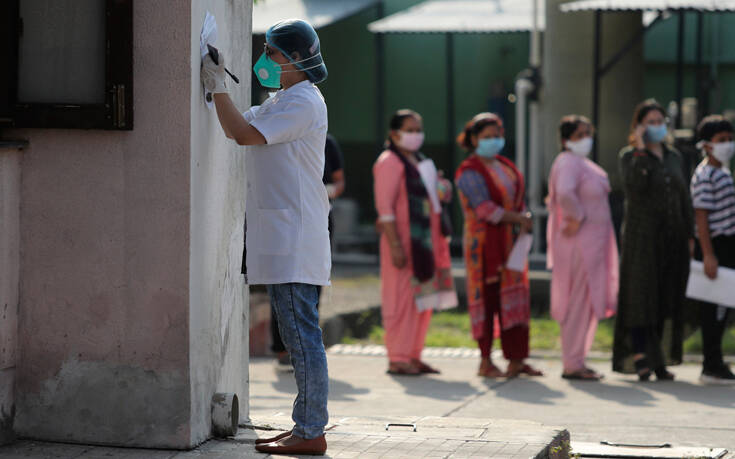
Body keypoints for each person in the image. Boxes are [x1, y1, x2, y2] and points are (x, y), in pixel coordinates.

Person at [201, 18, 330, 455]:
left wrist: (217, 83)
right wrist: (217, 87)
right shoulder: (283, 99)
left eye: (272, 52)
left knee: (301, 339)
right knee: (297, 337)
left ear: (295, 59)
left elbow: (242, 135)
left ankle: (311, 433)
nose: (265, 59)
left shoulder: (304, 103)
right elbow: (234, 123)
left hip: (295, 238)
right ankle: (304, 427)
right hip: (285, 236)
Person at [455, 112, 543, 379]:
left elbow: (516, 200)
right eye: (486, 137)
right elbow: (484, 209)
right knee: (489, 299)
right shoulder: (468, 171)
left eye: (497, 136)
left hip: (510, 244)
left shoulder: (505, 166)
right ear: (473, 139)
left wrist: (522, 216)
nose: (493, 141)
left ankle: (517, 359)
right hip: (483, 247)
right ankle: (485, 360)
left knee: (515, 297)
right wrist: (518, 218)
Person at [613, 99, 694, 382]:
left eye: (661, 121)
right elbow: (634, 188)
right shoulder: (630, 156)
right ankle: (640, 356)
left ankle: (659, 358)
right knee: (640, 295)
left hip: (672, 237)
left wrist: (690, 233)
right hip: (641, 237)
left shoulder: (673, 156)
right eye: (651, 122)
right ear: (639, 126)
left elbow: (684, 196)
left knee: (664, 296)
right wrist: (639, 149)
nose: (657, 127)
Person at [373, 109, 456, 375]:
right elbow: (385, 209)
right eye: (409, 129)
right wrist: (395, 245)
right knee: (401, 302)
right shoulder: (389, 162)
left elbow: (436, 198)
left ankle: (413, 355)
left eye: (418, 129)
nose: (416, 134)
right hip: (403, 244)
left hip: (426, 246)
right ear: (394, 134)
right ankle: (398, 357)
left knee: (423, 301)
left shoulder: (421, 161)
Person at [546, 115, 618, 381]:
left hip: (593, 244)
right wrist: (575, 217)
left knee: (587, 301)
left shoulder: (583, 164)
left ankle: (579, 359)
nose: (586, 139)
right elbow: (564, 193)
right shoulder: (567, 162)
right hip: (579, 244)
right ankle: (572, 362)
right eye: (579, 134)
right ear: (566, 140)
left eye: (588, 133)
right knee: (577, 301)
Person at [270, 133, 345, 369]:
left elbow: (340, 181)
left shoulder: (327, 142)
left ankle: (309, 347)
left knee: (314, 279)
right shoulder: (280, 136)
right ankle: (283, 348)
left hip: (319, 217)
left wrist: (326, 191)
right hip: (287, 216)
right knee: (283, 279)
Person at [690, 115, 735, 384]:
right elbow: (701, 218)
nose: (728, 145)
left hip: (727, 245)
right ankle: (711, 363)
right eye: (721, 141)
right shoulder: (706, 175)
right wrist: (708, 254)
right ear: (707, 145)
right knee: (714, 307)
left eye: (730, 140)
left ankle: (716, 359)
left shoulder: (723, 171)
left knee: (724, 306)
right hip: (715, 245)